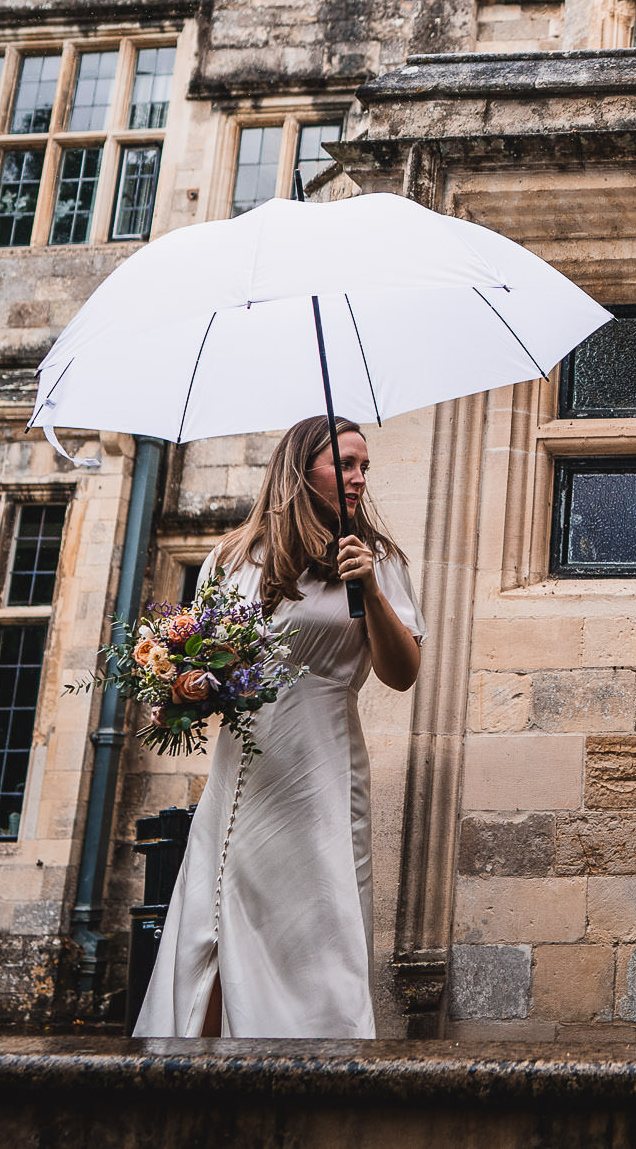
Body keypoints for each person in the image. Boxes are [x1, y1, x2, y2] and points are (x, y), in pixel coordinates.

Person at [134, 415, 424, 1039]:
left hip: (320, 764)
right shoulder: (231, 557)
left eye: (364, 466)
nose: (358, 478)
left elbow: (402, 674)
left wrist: (368, 586)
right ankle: (194, 1074)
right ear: (300, 469)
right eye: (345, 463)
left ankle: (316, 1071)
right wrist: (182, 688)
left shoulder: (378, 559)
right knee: (213, 919)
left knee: (315, 918)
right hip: (243, 767)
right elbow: (201, 657)